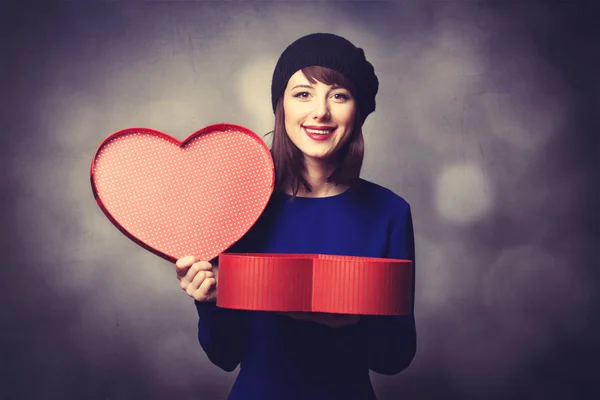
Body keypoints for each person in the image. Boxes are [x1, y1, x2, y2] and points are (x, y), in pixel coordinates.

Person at [175, 33, 416, 400]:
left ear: (358, 110)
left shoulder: (390, 212)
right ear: (281, 105)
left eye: (339, 95)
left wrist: (352, 322)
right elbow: (225, 356)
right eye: (303, 93)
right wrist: (207, 301)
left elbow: (395, 357)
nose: (320, 111)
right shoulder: (242, 208)